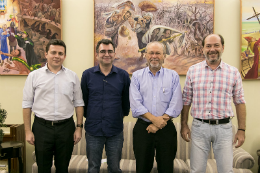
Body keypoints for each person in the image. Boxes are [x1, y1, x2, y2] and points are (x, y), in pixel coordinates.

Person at [181, 34, 246, 173]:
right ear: (203, 49)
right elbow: (186, 100)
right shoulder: (193, 71)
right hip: (199, 128)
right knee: (196, 170)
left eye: (216, 45)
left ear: (223, 47)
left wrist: (241, 130)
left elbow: (240, 102)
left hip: (224, 129)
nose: (212, 49)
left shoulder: (233, 72)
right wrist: (184, 125)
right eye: (208, 46)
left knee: (226, 170)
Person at [22, 39, 84, 173]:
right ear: (46, 54)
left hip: (66, 128)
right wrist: (28, 131)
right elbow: (27, 105)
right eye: (53, 52)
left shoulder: (72, 77)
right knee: (43, 168)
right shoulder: (34, 76)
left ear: (65, 56)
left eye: (60, 53)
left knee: (63, 168)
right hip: (41, 128)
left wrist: (79, 128)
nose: (57, 56)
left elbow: (79, 103)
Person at [129, 41, 183, 173]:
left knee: (166, 168)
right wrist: (155, 120)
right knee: (142, 168)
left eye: (158, 53)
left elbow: (176, 103)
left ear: (164, 56)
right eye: (151, 53)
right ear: (146, 55)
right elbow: (136, 104)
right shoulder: (136, 76)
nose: (154, 56)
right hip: (143, 129)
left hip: (166, 129)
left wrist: (159, 123)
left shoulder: (173, 76)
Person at [81, 39, 130, 173]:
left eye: (110, 51)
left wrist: (119, 116)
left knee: (114, 168)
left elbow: (126, 103)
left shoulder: (123, 76)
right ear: (97, 54)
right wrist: (91, 116)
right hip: (93, 131)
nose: (106, 54)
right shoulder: (87, 75)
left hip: (115, 131)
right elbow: (83, 101)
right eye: (103, 51)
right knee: (93, 168)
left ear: (114, 54)